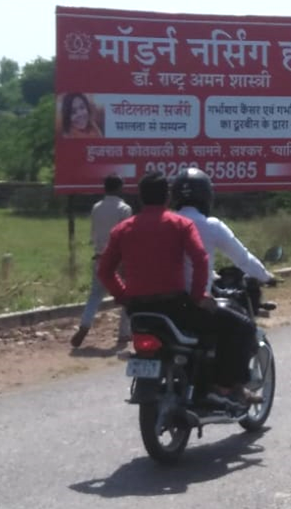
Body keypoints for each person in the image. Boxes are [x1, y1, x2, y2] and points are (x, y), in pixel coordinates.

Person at [97, 171, 259, 406]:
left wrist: (124, 296)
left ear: (140, 198)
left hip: (139, 312)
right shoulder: (180, 225)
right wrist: (198, 296)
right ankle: (225, 387)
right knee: (242, 325)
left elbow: (105, 271)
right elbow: (200, 259)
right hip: (177, 308)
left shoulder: (122, 229)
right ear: (167, 198)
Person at [169, 167, 277, 287]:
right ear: (207, 195)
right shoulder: (212, 226)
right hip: (200, 299)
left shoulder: (166, 224)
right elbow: (243, 259)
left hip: (167, 297)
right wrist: (266, 277)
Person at [70, 175, 134, 349]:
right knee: (128, 295)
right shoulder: (124, 209)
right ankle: (124, 333)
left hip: (99, 256)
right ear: (120, 188)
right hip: (118, 258)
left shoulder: (96, 208)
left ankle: (85, 325)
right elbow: (125, 236)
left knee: (95, 295)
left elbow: (93, 234)